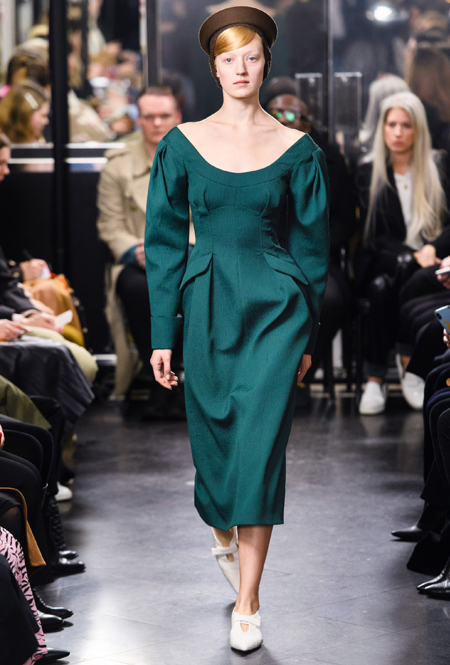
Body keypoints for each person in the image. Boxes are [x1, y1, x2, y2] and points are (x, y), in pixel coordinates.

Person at [145, 6, 329, 652]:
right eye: (230, 58)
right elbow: (163, 242)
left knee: (259, 448)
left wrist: (309, 336)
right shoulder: (182, 144)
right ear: (215, 68)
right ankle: (223, 528)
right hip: (208, 304)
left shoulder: (296, 149)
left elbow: (312, 249)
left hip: (277, 310)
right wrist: (161, 334)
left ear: (266, 63)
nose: (242, 68)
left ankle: (249, 601)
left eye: (252, 56)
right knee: (217, 446)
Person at [97, 84, 193, 414]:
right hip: (139, 260)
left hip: (191, 253)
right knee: (139, 287)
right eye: (149, 117)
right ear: (138, 119)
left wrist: (178, 250)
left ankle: (188, 378)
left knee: (196, 282)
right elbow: (110, 226)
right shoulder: (118, 166)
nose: (157, 123)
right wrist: (136, 251)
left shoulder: (200, 157)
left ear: (177, 117)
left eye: (164, 116)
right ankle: (160, 378)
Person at [355, 91, 450, 415]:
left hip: (432, 263)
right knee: (388, 280)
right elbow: (375, 237)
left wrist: (432, 248)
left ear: (418, 129)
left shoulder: (439, 165)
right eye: (391, 124)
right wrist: (413, 255)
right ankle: (399, 369)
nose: (397, 132)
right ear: (382, 128)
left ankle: (380, 375)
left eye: (406, 125)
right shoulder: (369, 171)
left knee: (388, 287)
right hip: (387, 260)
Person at [264, 83, 356, 399]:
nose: (283, 120)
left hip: (318, 256)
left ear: (307, 123)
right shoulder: (250, 155)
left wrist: (313, 247)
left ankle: (303, 376)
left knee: (329, 301)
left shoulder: (329, 159)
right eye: (275, 113)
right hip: (266, 254)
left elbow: (346, 219)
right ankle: (269, 377)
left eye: (292, 115)